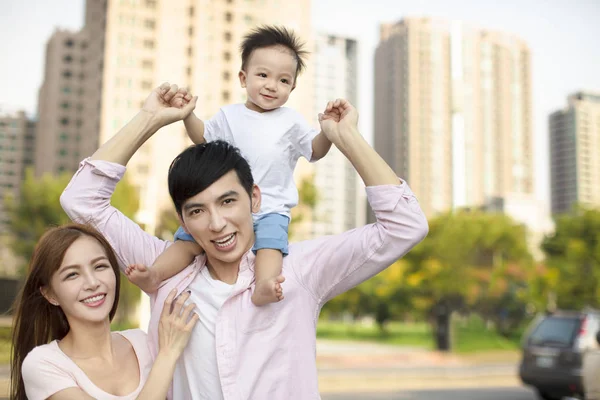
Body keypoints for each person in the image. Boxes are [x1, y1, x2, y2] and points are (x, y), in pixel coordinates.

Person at [60, 82, 429, 399]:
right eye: (197, 211)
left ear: (254, 198)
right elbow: (81, 199)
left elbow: (405, 225)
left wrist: (346, 138)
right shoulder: (164, 270)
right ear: (183, 219)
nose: (217, 224)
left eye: (227, 201)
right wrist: (150, 119)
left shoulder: (296, 271)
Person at [126, 25, 333, 307]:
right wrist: (188, 115)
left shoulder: (292, 121)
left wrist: (329, 131)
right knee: (187, 242)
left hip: (271, 206)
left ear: (292, 87)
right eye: (263, 75)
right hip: (223, 206)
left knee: (270, 246)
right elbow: (201, 137)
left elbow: (315, 150)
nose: (272, 85)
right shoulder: (229, 115)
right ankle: (155, 274)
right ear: (243, 78)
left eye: (283, 80)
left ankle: (263, 287)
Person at [10, 223, 199, 400]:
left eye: (100, 266)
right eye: (72, 274)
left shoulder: (143, 343)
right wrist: (167, 354)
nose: (93, 283)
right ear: (50, 294)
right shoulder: (45, 364)